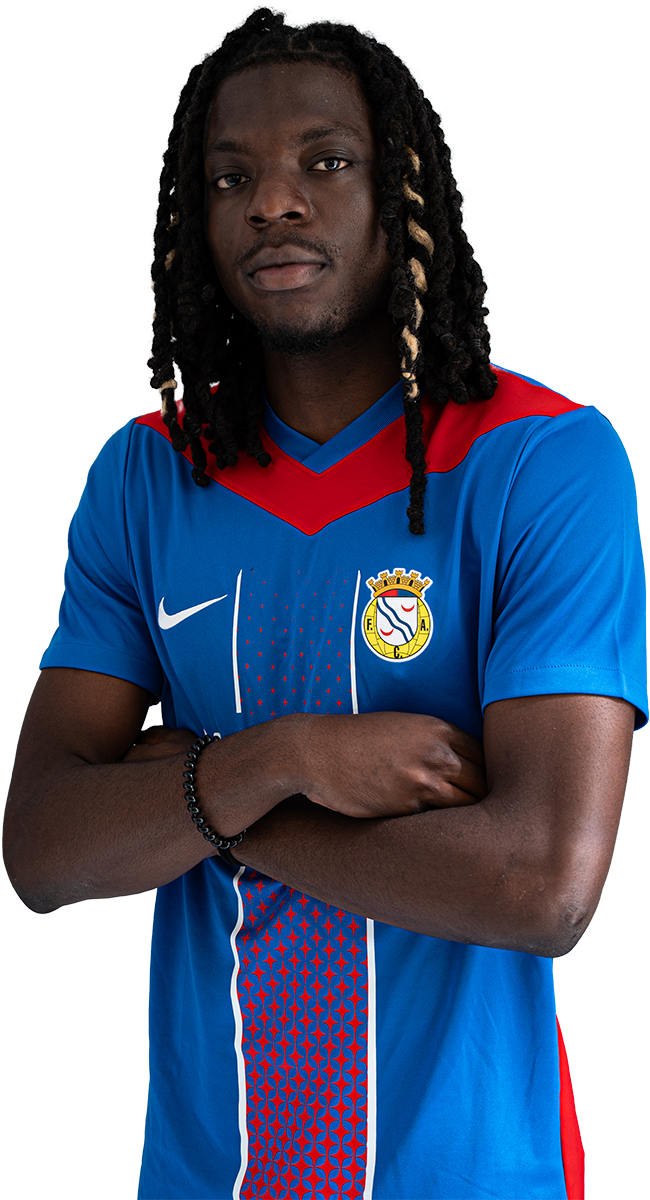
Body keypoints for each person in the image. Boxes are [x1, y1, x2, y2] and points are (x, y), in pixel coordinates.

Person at [4, 7, 647, 1199]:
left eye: (325, 161)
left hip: (474, 1176)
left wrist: (201, 794)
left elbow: (539, 883)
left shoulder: (541, 462)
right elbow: (41, 848)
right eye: (229, 177)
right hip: (206, 1177)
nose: (272, 202)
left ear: (402, 196)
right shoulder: (146, 477)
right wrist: (286, 757)